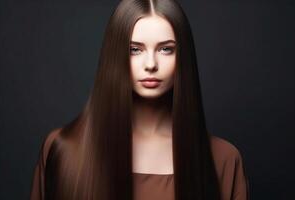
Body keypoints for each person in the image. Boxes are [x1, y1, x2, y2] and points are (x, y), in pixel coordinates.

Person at [30, 0, 249, 200]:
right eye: (135, 50)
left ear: (183, 57)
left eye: (166, 49)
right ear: (115, 54)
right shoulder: (64, 149)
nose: (151, 64)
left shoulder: (223, 160)